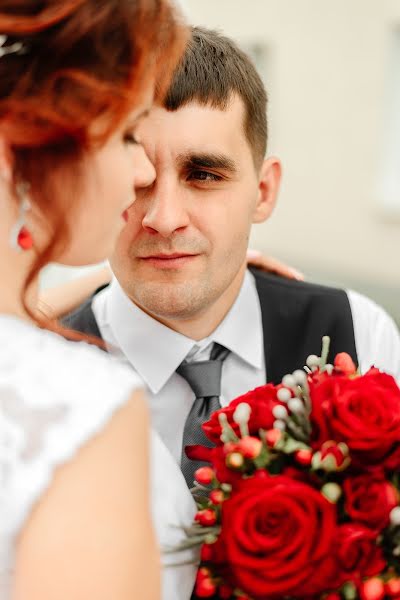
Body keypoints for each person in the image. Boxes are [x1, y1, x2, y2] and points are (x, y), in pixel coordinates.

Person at [62, 26, 400, 488]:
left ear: (263, 192)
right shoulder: (40, 371)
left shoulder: (359, 335)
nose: (163, 218)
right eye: (136, 178)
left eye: (202, 174)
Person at [0, 2, 197, 600]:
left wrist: (106, 281)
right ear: (30, 132)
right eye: (132, 132)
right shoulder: (76, 409)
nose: (143, 172)